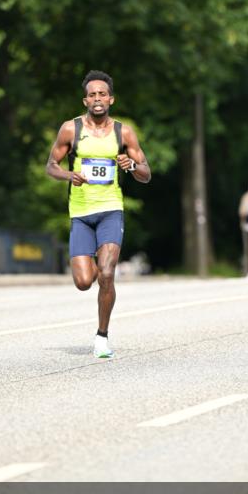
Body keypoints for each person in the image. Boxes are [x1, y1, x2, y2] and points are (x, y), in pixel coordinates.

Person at [46, 70, 151, 358]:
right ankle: (90, 262)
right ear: (85, 100)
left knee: (106, 273)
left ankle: (102, 337)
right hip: (80, 212)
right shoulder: (71, 129)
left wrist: (130, 165)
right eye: (92, 95)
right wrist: (68, 174)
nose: (97, 99)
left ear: (111, 99)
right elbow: (51, 165)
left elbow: (146, 173)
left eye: (102, 94)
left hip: (110, 210)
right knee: (83, 282)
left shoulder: (123, 132)